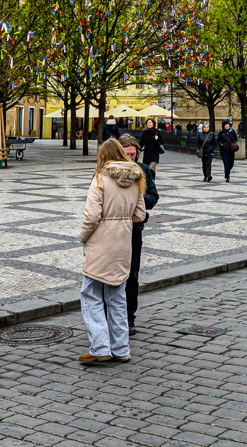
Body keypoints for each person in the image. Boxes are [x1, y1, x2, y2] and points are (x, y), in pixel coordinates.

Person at [78, 139, 147, 364]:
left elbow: (91, 216)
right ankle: (121, 349)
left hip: (101, 242)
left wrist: (83, 237)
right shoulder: (137, 178)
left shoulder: (100, 178)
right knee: (117, 297)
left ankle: (99, 348)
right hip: (123, 243)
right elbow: (140, 215)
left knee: (90, 294)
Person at [117, 135, 158, 335]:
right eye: (126, 154)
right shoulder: (109, 171)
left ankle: (128, 318)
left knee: (132, 276)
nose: (130, 158)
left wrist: (139, 199)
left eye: (133, 154)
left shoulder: (143, 171)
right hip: (113, 231)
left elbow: (153, 197)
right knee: (111, 275)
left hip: (134, 229)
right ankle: (111, 315)